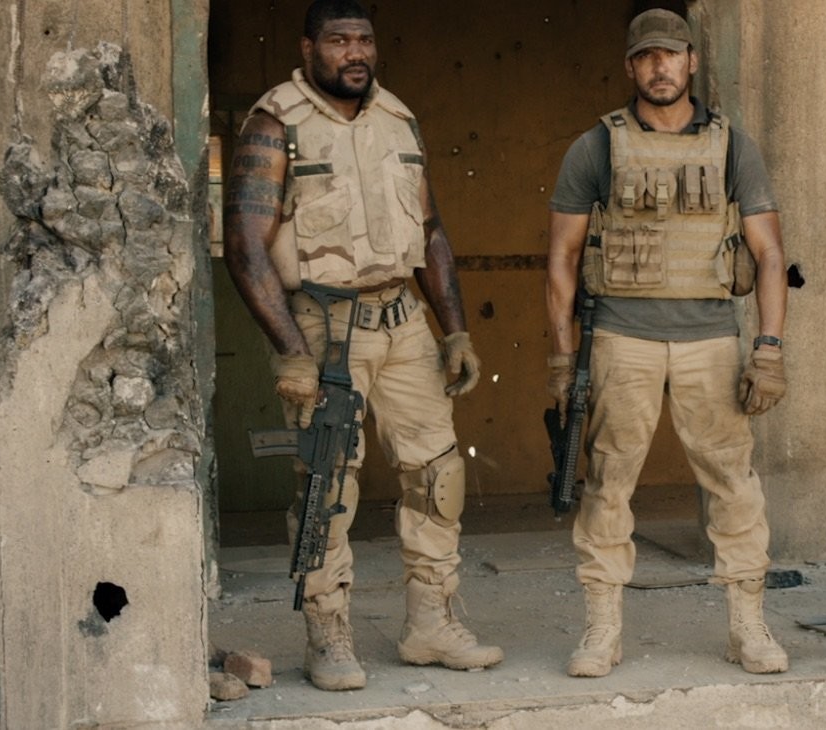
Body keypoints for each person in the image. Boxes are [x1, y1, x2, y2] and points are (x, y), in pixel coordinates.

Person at [223, 0, 502, 692]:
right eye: (340, 40)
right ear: (309, 47)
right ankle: (328, 635)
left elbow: (431, 231)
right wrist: (290, 349)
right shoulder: (273, 122)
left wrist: (454, 328)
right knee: (326, 484)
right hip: (321, 321)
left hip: (402, 317)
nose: (355, 53)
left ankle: (431, 625)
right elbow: (245, 247)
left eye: (365, 41)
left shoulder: (398, 118)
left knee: (438, 472)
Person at [545, 9, 791, 679]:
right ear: (631, 67)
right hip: (622, 339)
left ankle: (748, 626)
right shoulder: (596, 147)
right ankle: (602, 629)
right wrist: (563, 357)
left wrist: (767, 346)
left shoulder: (735, 147)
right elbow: (563, 257)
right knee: (608, 482)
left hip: (711, 338)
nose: (659, 67)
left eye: (671, 55)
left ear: (690, 62)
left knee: (734, 484)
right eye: (646, 56)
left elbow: (769, 254)